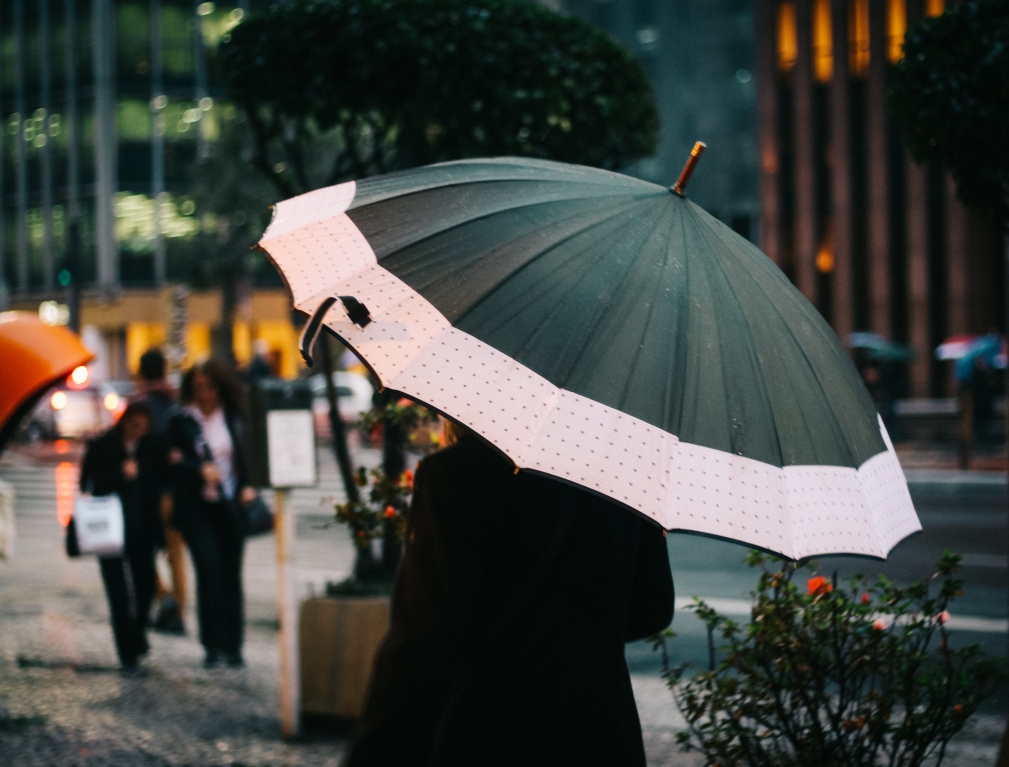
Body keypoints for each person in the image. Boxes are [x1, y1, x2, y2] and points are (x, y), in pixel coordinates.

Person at [346, 422, 675, 767]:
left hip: (490, 730)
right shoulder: (624, 478)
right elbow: (652, 606)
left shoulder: (455, 472)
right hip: (598, 731)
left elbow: (424, 641)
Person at [167, 360, 256, 668]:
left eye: (209, 387)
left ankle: (233, 645)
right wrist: (197, 470)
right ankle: (212, 644)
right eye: (198, 387)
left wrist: (248, 486)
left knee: (231, 573)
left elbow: (248, 456)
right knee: (208, 569)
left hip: (230, 505)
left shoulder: (232, 417)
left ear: (220, 387)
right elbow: (171, 464)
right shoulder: (182, 420)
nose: (204, 393)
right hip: (196, 508)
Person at [79, 401, 162, 673]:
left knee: (145, 587)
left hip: (142, 529)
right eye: (133, 425)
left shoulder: (150, 447)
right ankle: (128, 655)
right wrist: (119, 476)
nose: (138, 431)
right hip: (109, 529)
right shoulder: (102, 445)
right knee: (119, 595)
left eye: (143, 427)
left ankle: (137, 636)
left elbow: (158, 486)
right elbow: (87, 484)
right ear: (124, 422)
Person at [136, 348, 187, 635]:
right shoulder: (175, 402)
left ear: (141, 372)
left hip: (149, 491)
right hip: (176, 490)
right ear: (165, 371)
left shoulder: (140, 406)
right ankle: (178, 612)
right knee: (175, 553)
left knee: (140, 550)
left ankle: (164, 597)